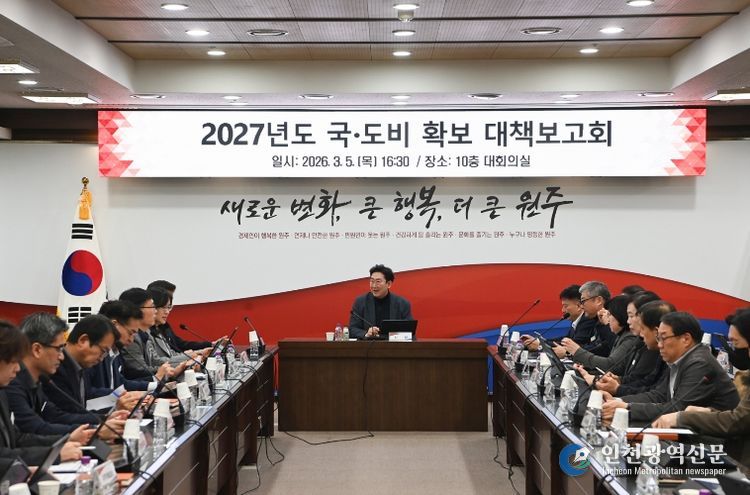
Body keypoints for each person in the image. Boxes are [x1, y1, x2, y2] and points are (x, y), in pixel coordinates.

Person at [653, 308, 750, 469]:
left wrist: (683, 417)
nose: (732, 349)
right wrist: (709, 412)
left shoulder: (699, 362)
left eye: (736, 343)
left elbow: (737, 422)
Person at [7, 313, 126, 442]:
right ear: (37, 350)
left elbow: (54, 415)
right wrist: (95, 431)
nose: (62, 356)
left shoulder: (38, 379)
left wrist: (102, 421)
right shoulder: (12, 383)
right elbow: (34, 428)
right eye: (58, 349)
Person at [602, 311, 739, 422]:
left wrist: (627, 408)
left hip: (713, 440)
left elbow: (678, 409)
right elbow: (659, 396)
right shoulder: (680, 358)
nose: (659, 345)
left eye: (664, 338)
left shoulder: (699, 363)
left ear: (686, 339)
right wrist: (618, 401)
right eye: (658, 338)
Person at [0, 320, 83, 465]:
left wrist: (65, 440)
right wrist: (54, 454)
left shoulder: (2, 392)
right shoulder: (11, 387)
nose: (18, 368)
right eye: (13, 361)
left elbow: (17, 438)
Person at [42, 315, 140, 416]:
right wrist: (113, 412)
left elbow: (83, 407)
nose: (101, 359)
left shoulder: (81, 366)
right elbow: (67, 416)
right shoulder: (56, 369)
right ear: (83, 340)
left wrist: (118, 403)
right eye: (103, 351)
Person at [88, 300, 169, 392]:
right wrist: (119, 396)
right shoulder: (93, 353)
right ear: (114, 325)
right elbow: (87, 393)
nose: (132, 339)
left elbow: (120, 383)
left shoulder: (115, 352)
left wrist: (153, 384)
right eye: (130, 333)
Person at [119, 288, 188, 380]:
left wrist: (185, 362)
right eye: (152, 307)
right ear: (136, 310)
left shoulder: (146, 333)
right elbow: (140, 371)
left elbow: (155, 361)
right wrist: (169, 372)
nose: (155, 311)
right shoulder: (131, 338)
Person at [564, 294, 639, 375]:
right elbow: (601, 349)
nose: (607, 318)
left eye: (609, 314)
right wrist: (584, 367)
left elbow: (610, 365)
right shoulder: (620, 335)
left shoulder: (630, 338)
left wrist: (577, 351)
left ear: (619, 316)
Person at [147, 280, 219, 351]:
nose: (167, 311)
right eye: (164, 305)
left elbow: (180, 345)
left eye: (169, 305)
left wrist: (210, 345)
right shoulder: (147, 332)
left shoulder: (164, 326)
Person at [348, 264, 413, 339]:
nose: (374, 285)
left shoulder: (402, 304)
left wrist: (393, 337)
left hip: (393, 345)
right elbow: (352, 329)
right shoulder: (360, 302)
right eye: (372, 281)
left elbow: (409, 332)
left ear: (388, 284)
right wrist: (366, 333)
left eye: (378, 281)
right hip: (369, 345)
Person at [520, 284, 583, 351]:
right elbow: (564, 341)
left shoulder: (586, 322)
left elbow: (575, 346)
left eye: (566, 306)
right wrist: (539, 341)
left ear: (579, 306)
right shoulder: (575, 321)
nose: (563, 310)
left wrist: (540, 345)